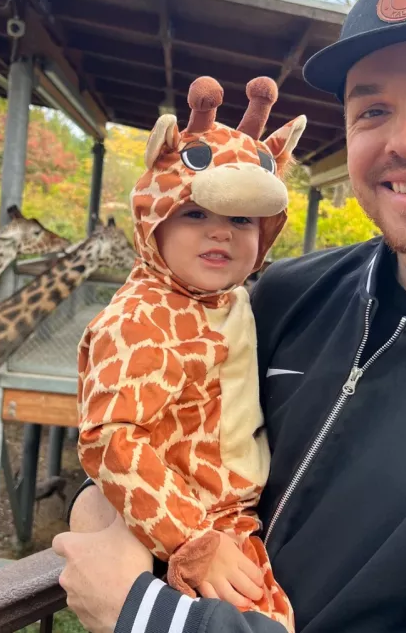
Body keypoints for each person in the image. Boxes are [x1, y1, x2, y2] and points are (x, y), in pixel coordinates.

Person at [54, 0, 406, 631]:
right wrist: (100, 510)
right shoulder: (284, 296)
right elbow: (156, 441)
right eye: (371, 108)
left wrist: (145, 613)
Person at [76, 75, 306, 631]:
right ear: (154, 218)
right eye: (197, 214)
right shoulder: (142, 318)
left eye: (242, 220)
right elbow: (109, 438)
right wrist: (192, 539)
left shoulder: (229, 300)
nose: (221, 235)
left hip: (233, 518)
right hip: (193, 526)